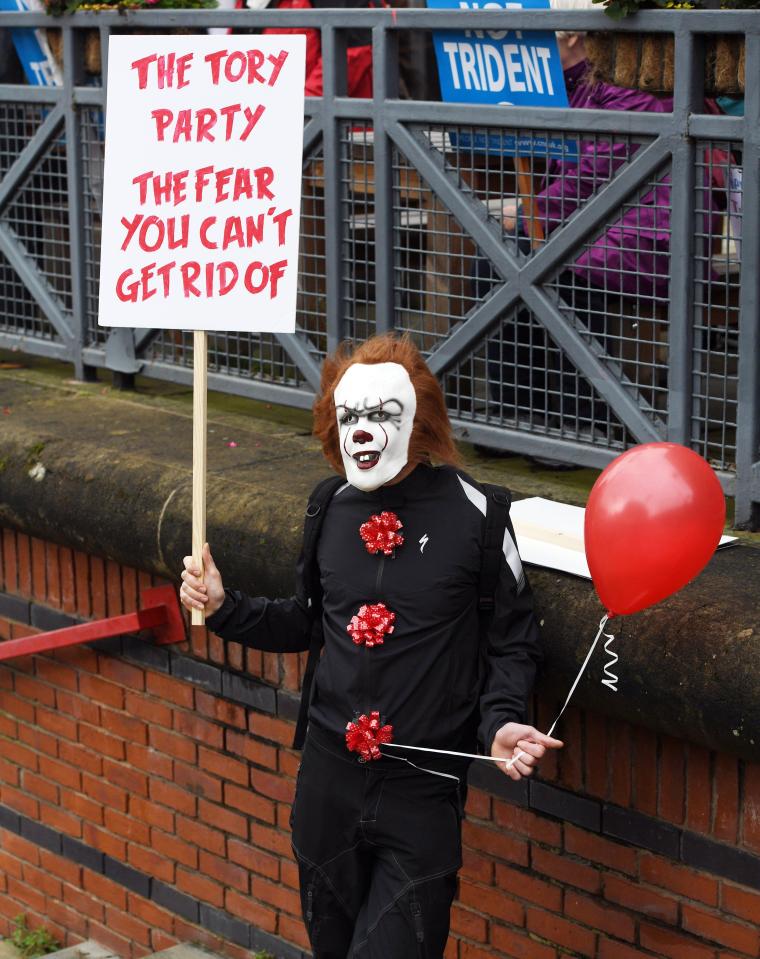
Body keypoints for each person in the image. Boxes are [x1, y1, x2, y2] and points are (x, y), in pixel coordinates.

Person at [180, 333, 563, 958]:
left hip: (421, 792)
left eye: (381, 414)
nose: (362, 430)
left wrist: (502, 720)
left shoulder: (480, 515)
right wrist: (225, 608)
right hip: (326, 789)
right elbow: (305, 622)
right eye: (350, 415)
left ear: (419, 419)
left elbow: (514, 642)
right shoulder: (327, 506)